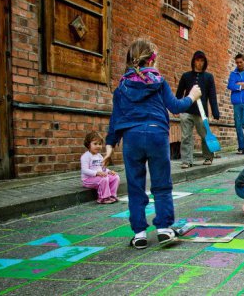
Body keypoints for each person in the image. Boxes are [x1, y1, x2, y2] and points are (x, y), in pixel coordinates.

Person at [103, 39, 202, 249]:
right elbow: (175, 107)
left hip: (132, 138)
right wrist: (192, 96)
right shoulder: (159, 81)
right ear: (152, 60)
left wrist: (110, 145)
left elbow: (115, 118)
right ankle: (164, 228)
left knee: (135, 186)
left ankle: (139, 233)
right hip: (157, 135)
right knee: (162, 185)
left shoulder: (121, 86)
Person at [176, 51, 220, 168]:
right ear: (193, 61)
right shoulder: (186, 76)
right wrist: (176, 108)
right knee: (186, 136)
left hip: (201, 112)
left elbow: (212, 95)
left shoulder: (208, 77)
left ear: (204, 62)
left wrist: (215, 111)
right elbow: (179, 94)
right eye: (197, 60)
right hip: (186, 111)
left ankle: (208, 157)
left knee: (205, 135)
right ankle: (186, 160)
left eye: (202, 61)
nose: (199, 63)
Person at [80, 131, 119, 204]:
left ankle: (112, 195)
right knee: (104, 179)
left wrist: (109, 171)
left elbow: (103, 168)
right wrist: (97, 173)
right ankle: (103, 198)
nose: (98, 146)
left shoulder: (99, 156)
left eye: (100, 144)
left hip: (99, 177)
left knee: (115, 177)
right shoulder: (85, 156)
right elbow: (84, 170)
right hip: (88, 180)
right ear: (88, 145)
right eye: (95, 144)